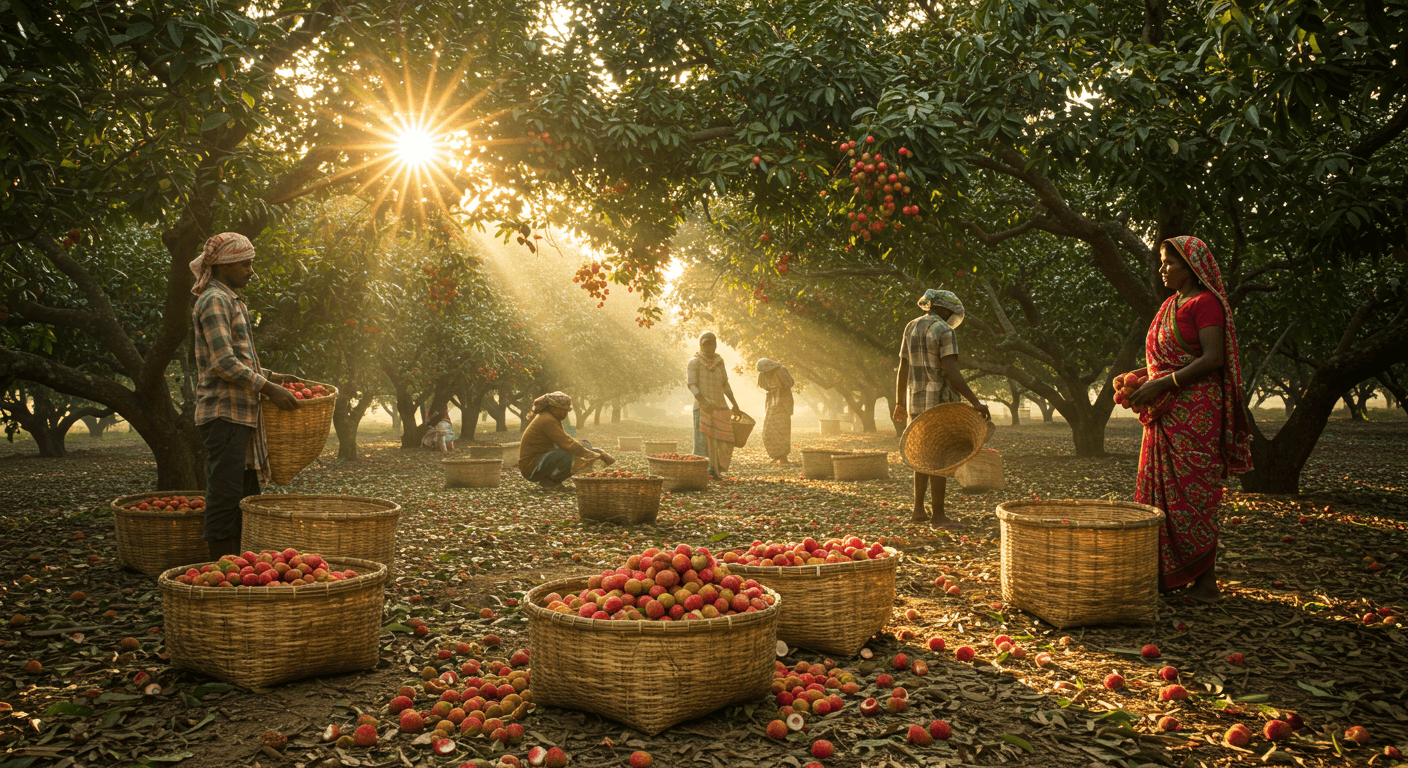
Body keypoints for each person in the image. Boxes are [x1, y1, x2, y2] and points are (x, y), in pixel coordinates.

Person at [1128, 236, 1253, 604]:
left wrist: (1161, 384)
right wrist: (1140, 380)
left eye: (1170, 263)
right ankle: (1163, 575)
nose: (1163, 269)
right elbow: (1166, 363)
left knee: (1194, 496)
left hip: (1196, 414)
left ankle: (1206, 584)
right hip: (1166, 412)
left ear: (1192, 267)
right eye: (1162, 262)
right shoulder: (1170, 304)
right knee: (1162, 499)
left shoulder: (1206, 303)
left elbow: (1212, 358)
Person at [189, 232, 299, 560]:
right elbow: (223, 363)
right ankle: (221, 569)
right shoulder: (214, 300)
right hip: (225, 414)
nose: (251, 271)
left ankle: (241, 565)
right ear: (223, 265)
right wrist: (270, 388)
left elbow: (239, 361)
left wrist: (276, 377)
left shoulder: (230, 299)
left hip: (241, 415)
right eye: (245, 264)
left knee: (247, 498)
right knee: (226, 496)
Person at [892, 289, 991, 528]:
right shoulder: (944, 331)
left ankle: (918, 511)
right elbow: (950, 370)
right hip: (938, 401)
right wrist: (975, 401)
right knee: (938, 456)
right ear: (946, 310)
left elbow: (903, 367)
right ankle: (938, 515)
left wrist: (899, 403)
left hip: (916, 401)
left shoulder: (911, 326)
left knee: (921, 455)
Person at [517, 391, 615, 489]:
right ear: (552, 407)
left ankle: (552, 480)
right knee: (569, 453)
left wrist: (594, 450)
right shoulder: (547, 419)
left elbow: (566, 440)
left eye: (567, 410)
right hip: (531, 467)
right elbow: (567, 444)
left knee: (584, 444)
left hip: (541, 459)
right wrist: (594, 454)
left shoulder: (550, 417)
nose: (565, 413)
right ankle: (550, 482)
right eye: (562, 410)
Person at [688, 332, 741, 478]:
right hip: (703, 407)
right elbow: (691, 385)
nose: (708, 346)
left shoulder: (719, 362)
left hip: (720, 406)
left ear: (715, 344)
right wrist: (703, 402)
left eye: (711, 343)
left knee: (723, 441)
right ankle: (702, 471)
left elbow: (725, 384)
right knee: (703, 441)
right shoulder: (694, 362)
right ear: (700, 344)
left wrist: (735, 404)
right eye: (705, 343)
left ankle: (715, 469)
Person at [755, 358, 795, 464]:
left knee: (782, 431)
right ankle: (775, 455)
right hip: (771, 405)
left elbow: (789, 383)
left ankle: (783, 457)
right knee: (767, 431)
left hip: (783, 404)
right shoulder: (763, 374)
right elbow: (764, 386)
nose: (764, 373)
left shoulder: (781, 370)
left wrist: (778, 387)